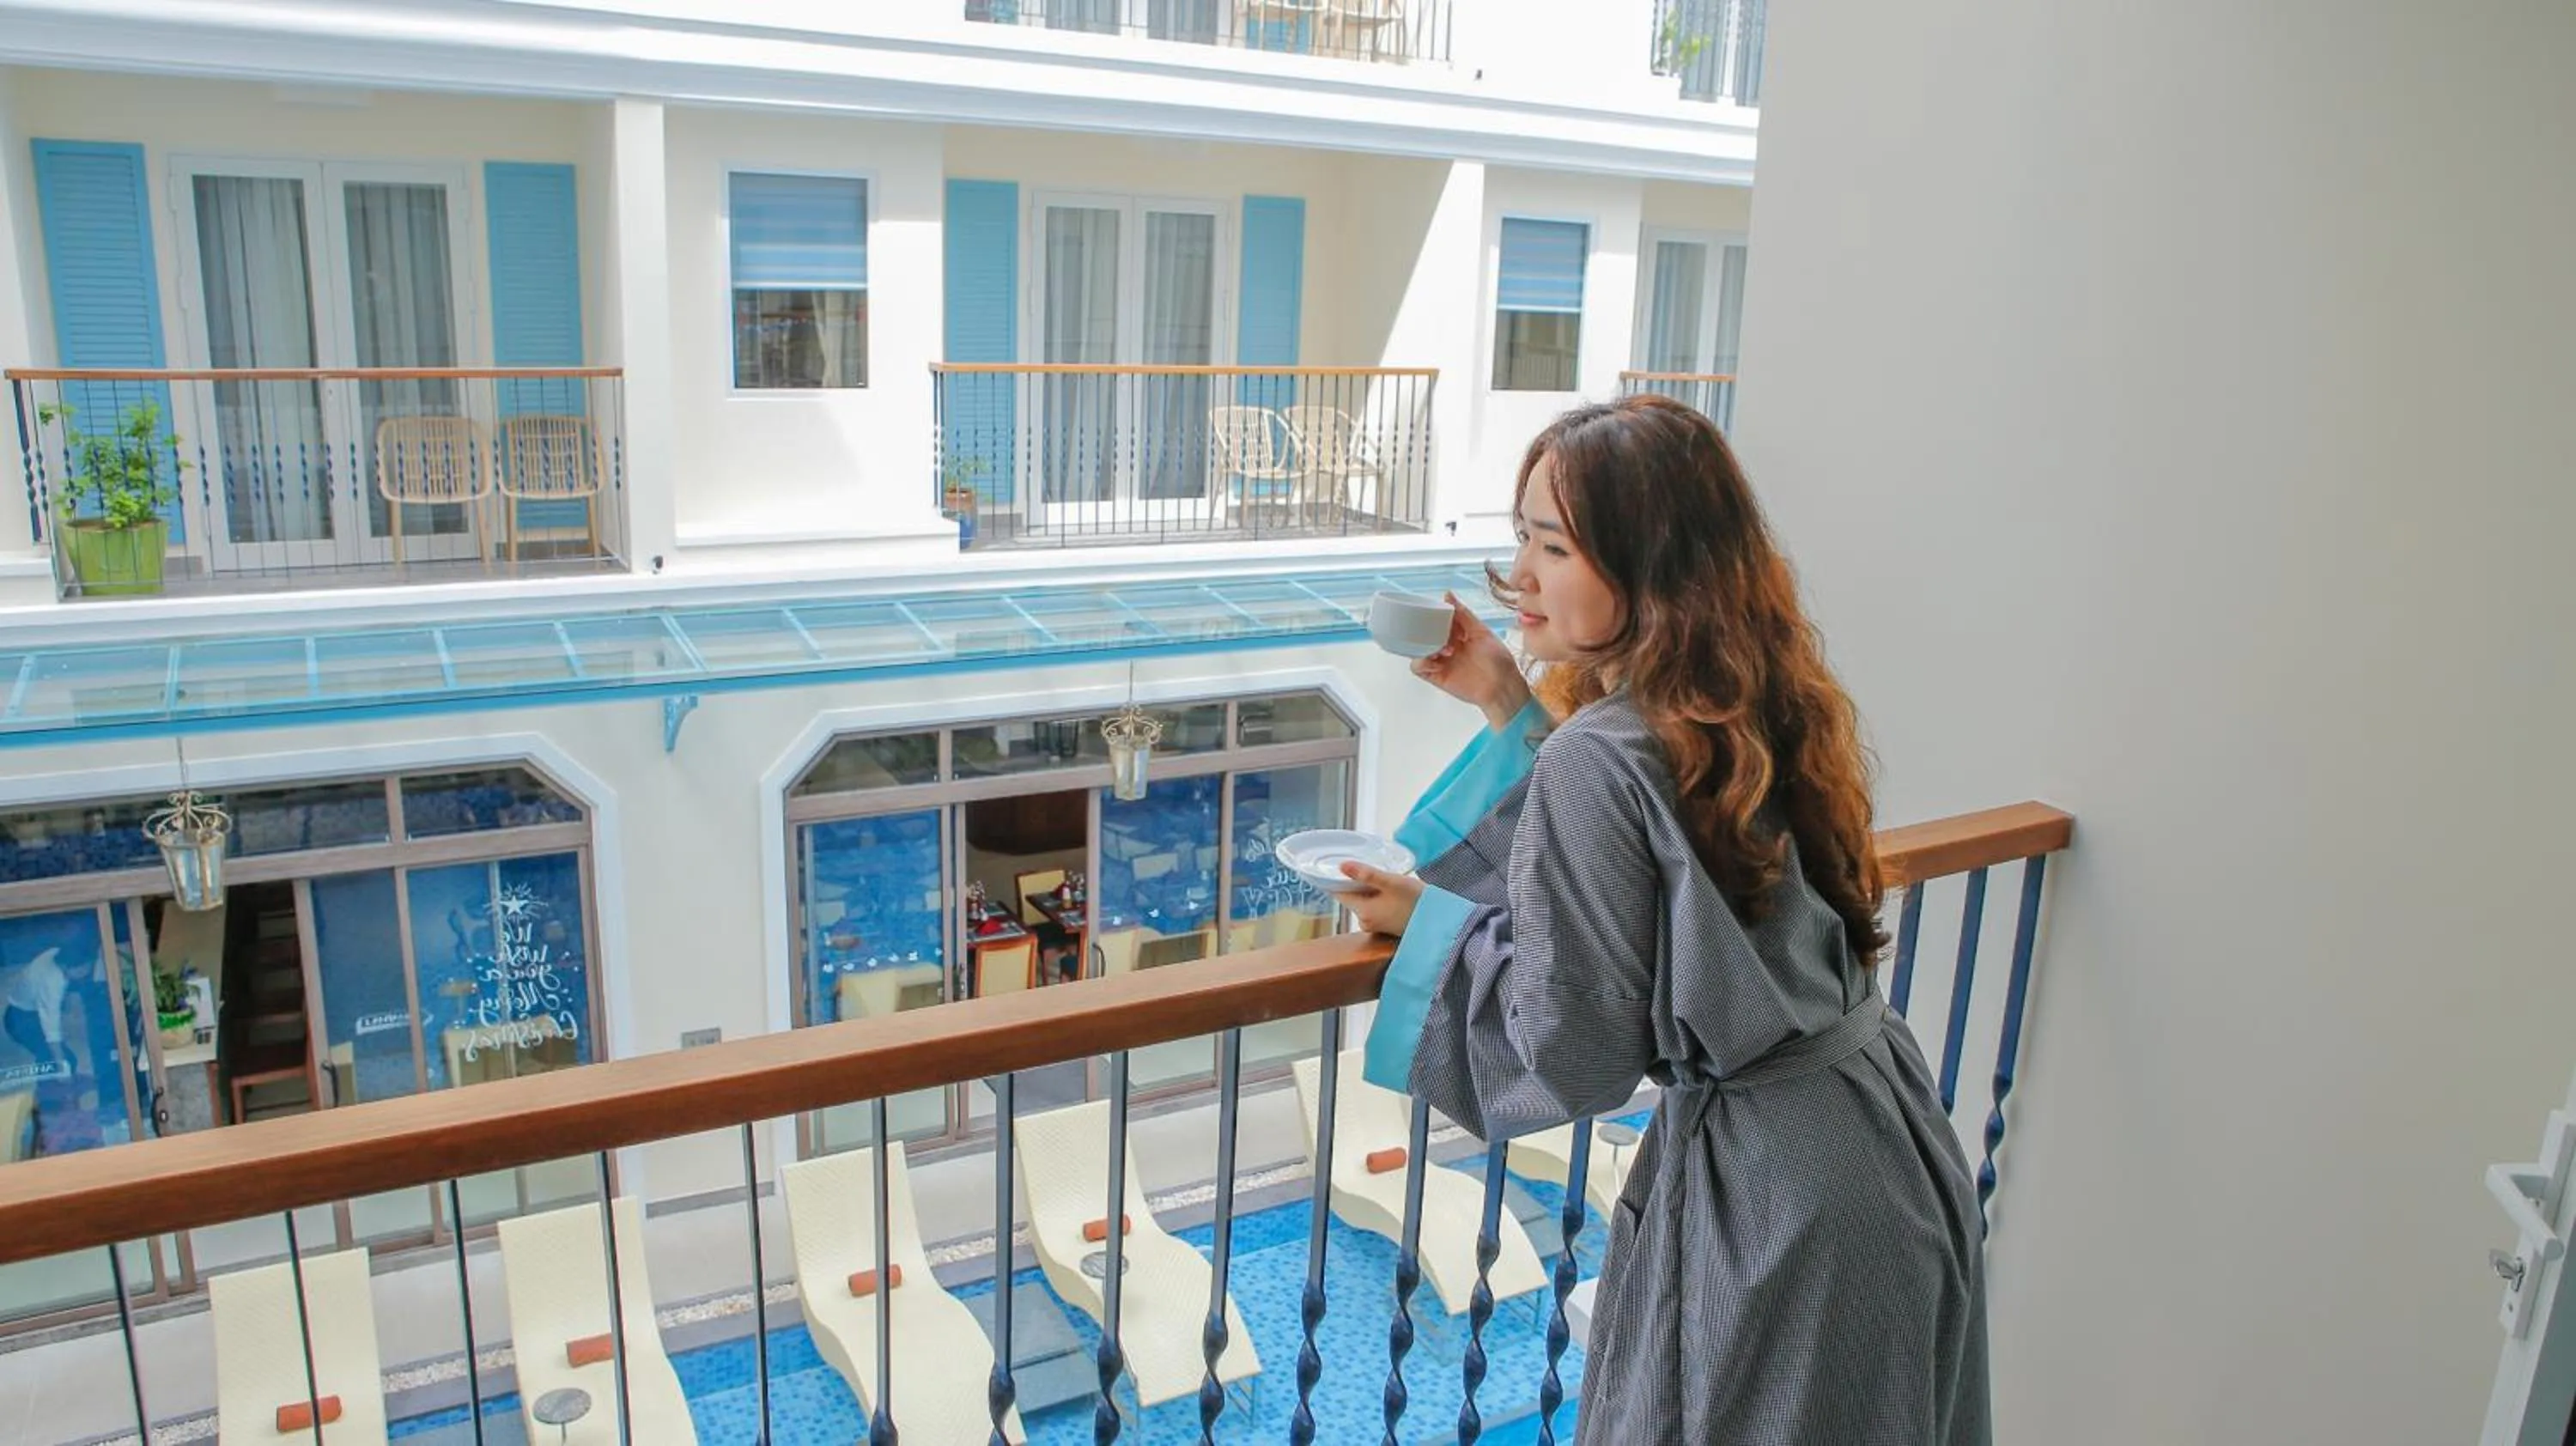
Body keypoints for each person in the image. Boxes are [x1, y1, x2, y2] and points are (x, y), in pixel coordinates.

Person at [1339, 394, 1990, 1445]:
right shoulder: (1753, 698)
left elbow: (1577, 1044)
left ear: (1651, 568)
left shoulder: (1600, 754)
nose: (1520, 576)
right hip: (1884, 1133)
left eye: (1555, 547)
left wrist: (1431, 929)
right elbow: (1652, 862)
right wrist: (1507, 698)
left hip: (1776, 1203)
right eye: (1523, 538)